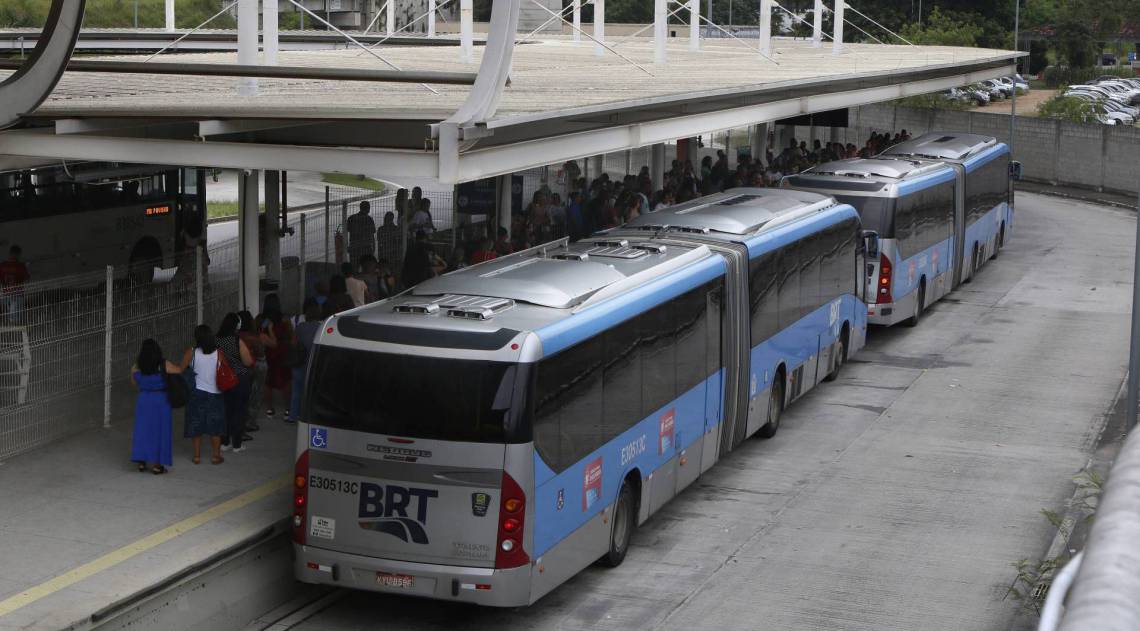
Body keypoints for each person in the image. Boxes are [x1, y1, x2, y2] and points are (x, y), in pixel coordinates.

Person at [131, 339, 182, 475]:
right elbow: (179, 371)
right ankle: (157, 465)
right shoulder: (163, 364)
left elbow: (134, 382)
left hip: (144, 400)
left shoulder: (137, 365)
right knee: (160, 432)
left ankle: (141, 462)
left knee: (142, 430)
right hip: (161, 400)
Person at [181, 325, 226, 465]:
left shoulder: (191, 352)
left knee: (196, 425)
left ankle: (196, 456)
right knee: (215, 427)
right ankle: (216, 456)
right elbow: (224, 370)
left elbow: (181, 369)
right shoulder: (219, 353)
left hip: (196, 393)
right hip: (215, 393)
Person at [216, 313, 254, 453]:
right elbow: (248, 361)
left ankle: (224, 442)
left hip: (222, 379)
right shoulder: (237, 340)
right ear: (237, 325)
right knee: (239, 411)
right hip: (239, 379)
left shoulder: (215, 339)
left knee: (225, 411)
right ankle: (237, 444)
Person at [259, 294, 294, 422]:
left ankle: (269, 409)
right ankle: (287, 409)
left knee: (268, 381)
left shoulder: (262, 320)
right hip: (283, 352)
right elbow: (290, 334)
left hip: (268, 353)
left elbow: (259, 334)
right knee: (286, 381)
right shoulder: (284, 319)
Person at [238, 310, 273, 433]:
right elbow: (272, 345)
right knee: (256, 393)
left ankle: (242, 420)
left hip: (242, 365)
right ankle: (250, 422)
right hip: (258, 364)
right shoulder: (257, 336)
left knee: (244, 394)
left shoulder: (237, 336)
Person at [289, 299, 324, 422]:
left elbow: (293, 343)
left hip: (299, 363)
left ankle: (293, 416)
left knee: (296, 391)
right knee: (312, 393)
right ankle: (309, 417)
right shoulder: (322, 327)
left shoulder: (300, 327)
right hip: (314, 364)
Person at [0, 245, 30, 322]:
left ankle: (9, 330)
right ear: (18, 254)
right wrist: (27, 267)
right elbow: (27, 278)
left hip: (5, 294)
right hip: (17, 295)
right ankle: (18, 330)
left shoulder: (3, 265)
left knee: (6, 316)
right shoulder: (20, 266)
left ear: (10, 253)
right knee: (17, 318)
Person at [344, 200, 376, 265]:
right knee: (366, 267)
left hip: (354, 247)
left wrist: (347, 246)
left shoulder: (351, 218)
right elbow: (372, 235)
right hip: (366, 247)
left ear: (360, 208)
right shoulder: (369, 219)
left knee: (354, 267)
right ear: (368, 209)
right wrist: (373, 248)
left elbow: (346, 234)